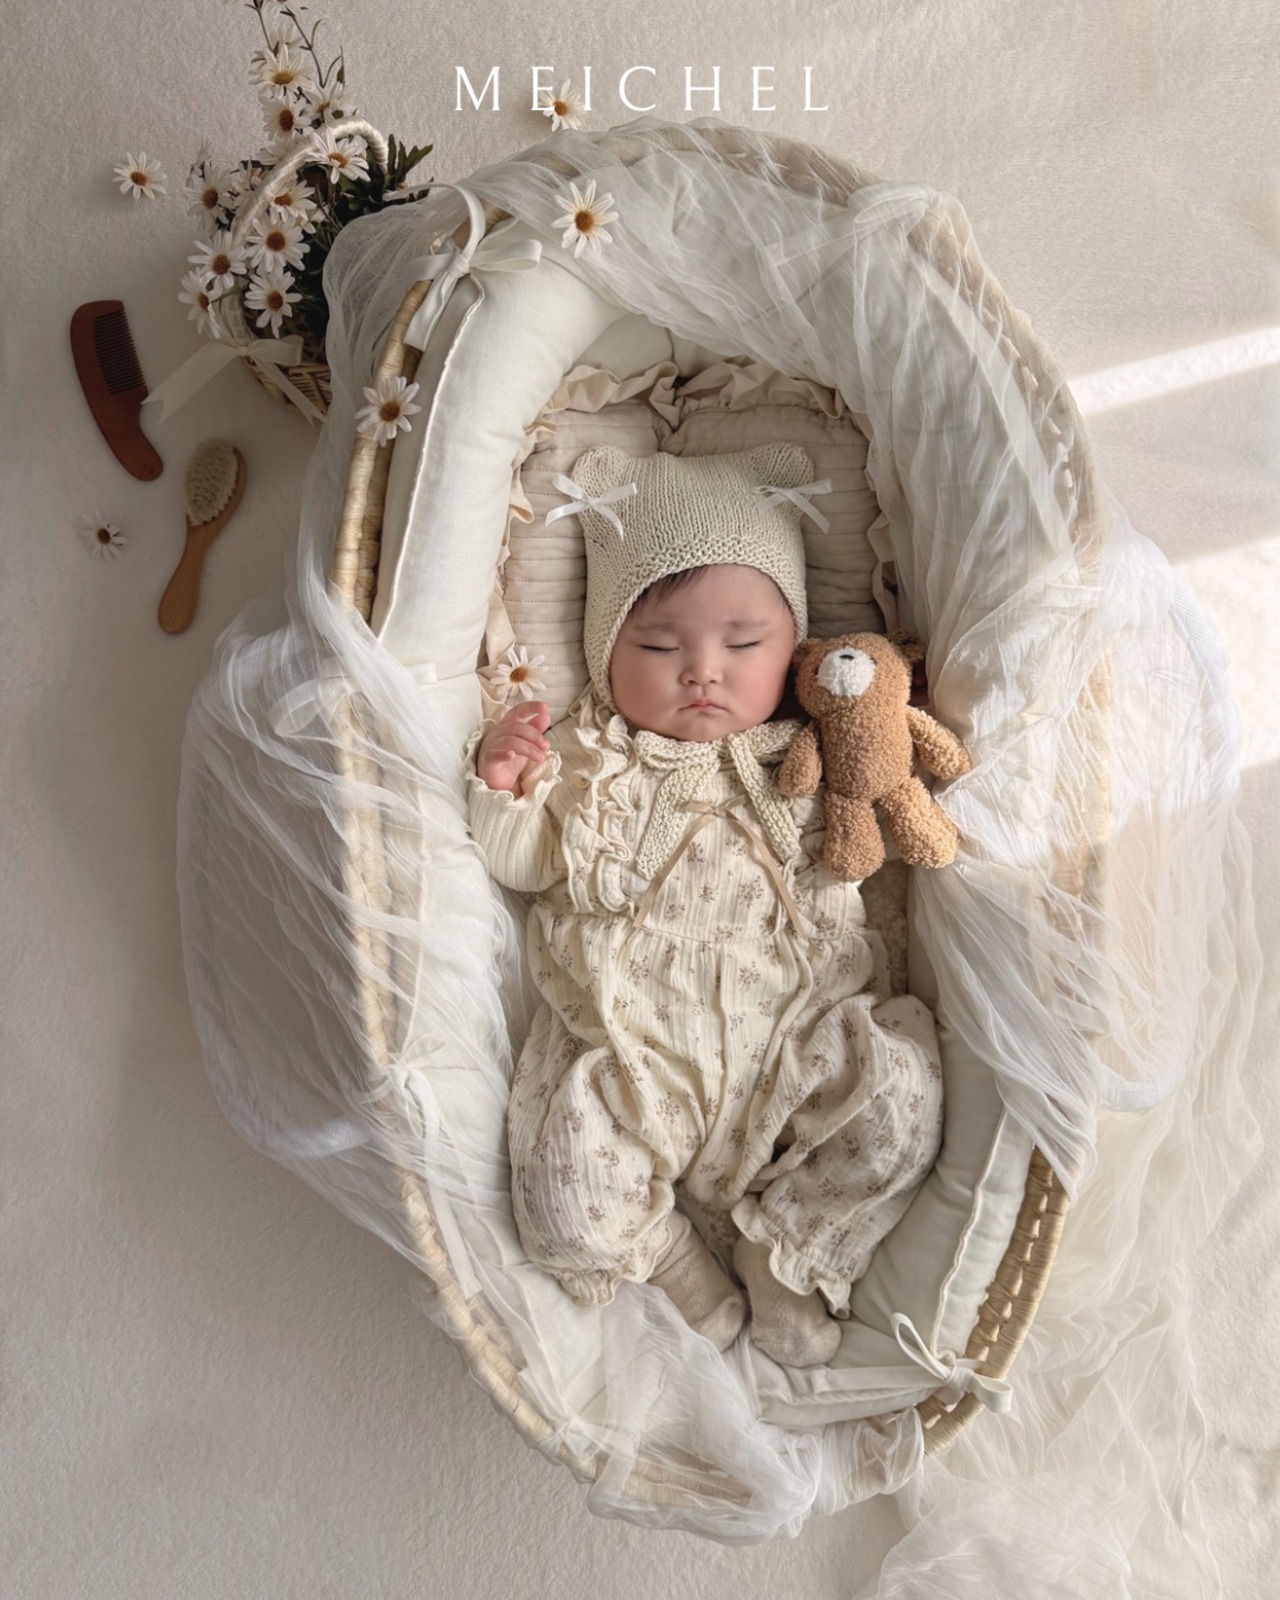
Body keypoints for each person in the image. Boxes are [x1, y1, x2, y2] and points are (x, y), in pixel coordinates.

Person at [462, 442, 943, 1368]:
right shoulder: (594, 759)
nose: (703, 671)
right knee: (560, 1187)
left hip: (798, 1041)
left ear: (793, 649)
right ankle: (672, 1260)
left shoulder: (810, 755)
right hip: (634, 1055)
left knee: (904, 1096)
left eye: (744, 644)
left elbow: (881, 850)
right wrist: (506, 785)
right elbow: (524, 863)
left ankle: (784, 1252)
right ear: (605, 653)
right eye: (657, 646)